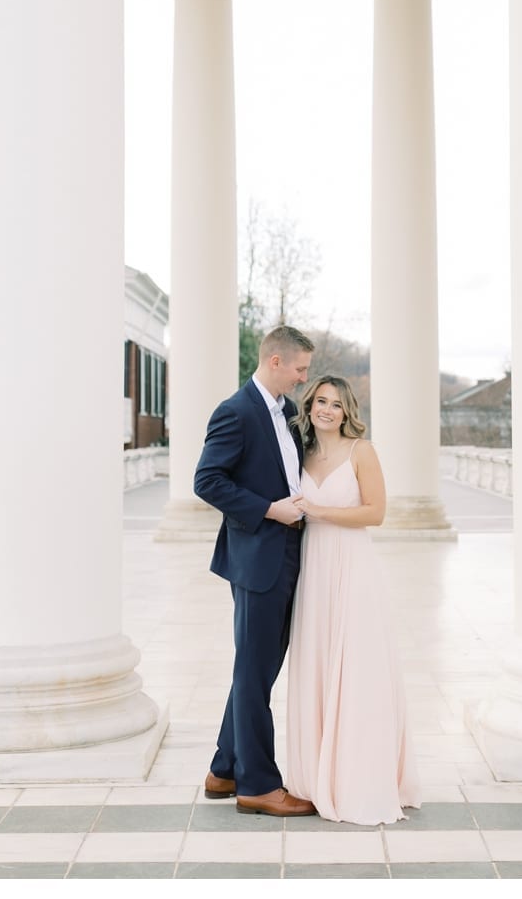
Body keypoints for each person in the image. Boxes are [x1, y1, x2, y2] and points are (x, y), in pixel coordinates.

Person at [284, 374, 421, 824]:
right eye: (320, 401)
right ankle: (315, 777)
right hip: (313, 568)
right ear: (309, 405)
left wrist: (320, 511)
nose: (326, 409)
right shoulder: (299, 451)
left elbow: (376, 513)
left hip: (352, 565)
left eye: (336, 404)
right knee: (317, 664)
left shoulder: (362, 451)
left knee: (357, 668)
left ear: (348, 412)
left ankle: (358, 777)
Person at [193, 325, 318, 816]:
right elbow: (207, 481)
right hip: (257, 558)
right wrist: (269, 509)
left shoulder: (287, 412)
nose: (303, 378)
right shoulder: (236, 412)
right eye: (300, 369)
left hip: (288, 552)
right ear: (275, 363)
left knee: (257, 669)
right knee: (253, 672)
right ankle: (259, 785)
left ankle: (224, 769)